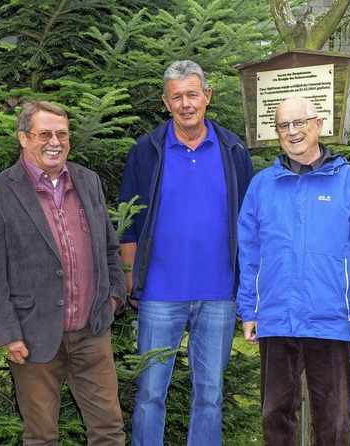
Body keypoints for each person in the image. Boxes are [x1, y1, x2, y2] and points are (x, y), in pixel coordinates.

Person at [0, 101, 126, 445]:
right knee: (41, 436)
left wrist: (113, 297)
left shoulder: (88, 181)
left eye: (61, 133)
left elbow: (109, 248)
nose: (54, 141)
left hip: (91, 330)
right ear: (24, 138)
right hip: (31, 337)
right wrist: (6, 333)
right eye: (44, 134)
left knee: (109, 430)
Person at [118, 60, 254, 445]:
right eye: (177, 97)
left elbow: (248, 219)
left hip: (219, 293)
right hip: (159, 293)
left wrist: (245, 285)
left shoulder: (233, 149)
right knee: (149, 394)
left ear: (207, 96)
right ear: (166, 102)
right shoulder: (147, 150)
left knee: (209, 395)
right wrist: (131, 279)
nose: (186, 104)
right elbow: (129, 219)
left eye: (193, 94)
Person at [236, 96, 350, 446]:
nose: (293, 131)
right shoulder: (262, 185)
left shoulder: (349, 182)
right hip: (276, 318)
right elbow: (250, 252)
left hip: (330, 319)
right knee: (275, 417)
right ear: (277, 133)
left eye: (300, 122)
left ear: (318, 125)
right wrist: (249, 309)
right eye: (284, 125)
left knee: (333, 422)